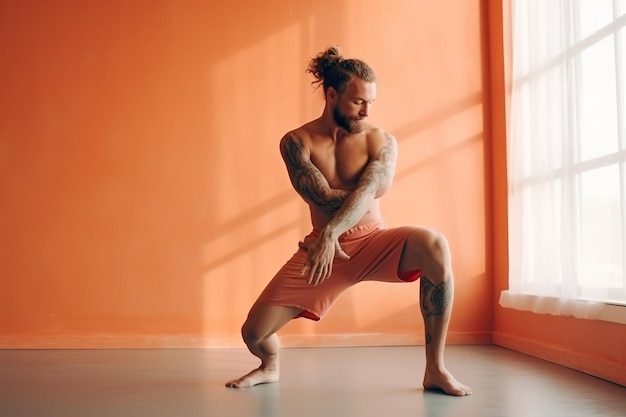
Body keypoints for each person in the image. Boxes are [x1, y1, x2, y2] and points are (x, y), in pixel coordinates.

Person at [225, 46, 472, 396]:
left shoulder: (381, 140)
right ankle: (270, 365)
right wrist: (332, 231)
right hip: (323, 251)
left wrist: (332, 230)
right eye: (359, 102)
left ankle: (436, 369)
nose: (367, 111)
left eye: (370, 102)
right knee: (253, 334)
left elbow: (372, 190)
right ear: (331, 95)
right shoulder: (296, 142)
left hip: (373, 241)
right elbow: (323, 196)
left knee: (435, 245)